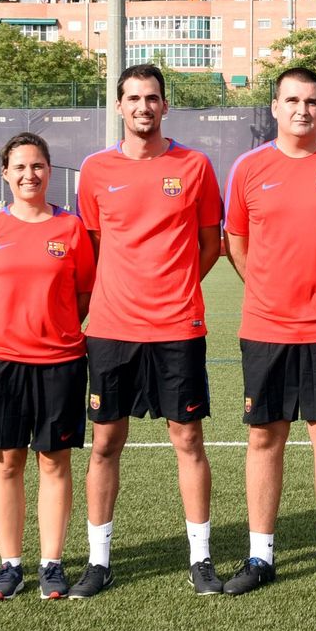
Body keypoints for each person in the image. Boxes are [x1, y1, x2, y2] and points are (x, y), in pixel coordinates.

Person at [71, 64, 225, 598]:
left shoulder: (195, 166)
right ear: (118, 106)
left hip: (178, 326)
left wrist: (174, 284)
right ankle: (99, 561)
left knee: (188, 439)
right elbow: (90, 247)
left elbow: (211, 243)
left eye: (152, 98)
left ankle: (201, 559)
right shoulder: (94, 170)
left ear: (165, 106)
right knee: (105, 443)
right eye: (133, 98)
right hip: (112, 329)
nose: (143, 106)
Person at [223, 67, 316, 595]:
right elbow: (237, 245)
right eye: (291, 100)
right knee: (266, 436)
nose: (301, 110)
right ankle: (260, 554)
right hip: (266, 326)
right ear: (274, 107)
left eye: (311, 101)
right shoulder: (249, 168)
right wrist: (271, 291)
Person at [0, 133, 95, 600]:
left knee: (54, 463)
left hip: (59, 360)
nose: (29, 175)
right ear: (5, 173)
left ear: (49, 170)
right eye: (19, 167)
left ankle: (52, 563)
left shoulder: (71, 229)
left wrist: (51, 328)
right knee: (6, 464)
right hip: (1, 362)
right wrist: (8, 331)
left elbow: (82, 293)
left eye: (37, 166)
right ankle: (10, 565)